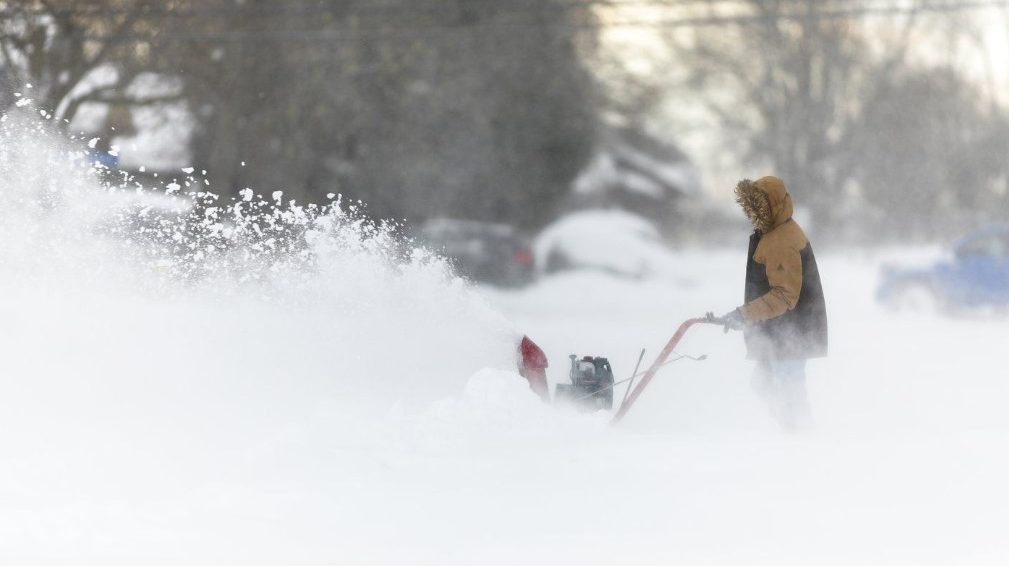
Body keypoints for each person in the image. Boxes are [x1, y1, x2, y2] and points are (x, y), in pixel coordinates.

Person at [719, 176, 828, 430]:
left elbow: (784, 295)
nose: (751, 213)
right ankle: (788, 430)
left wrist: (744, 314)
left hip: (793, 331)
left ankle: (799, 437)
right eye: (748, 207)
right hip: (779, 330)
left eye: (756, 207)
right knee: (764, 383)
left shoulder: (782, 240)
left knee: (788, 388)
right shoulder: (774, 233)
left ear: (773, 206)